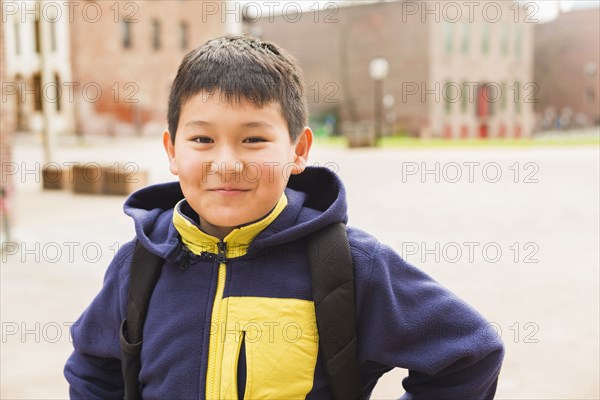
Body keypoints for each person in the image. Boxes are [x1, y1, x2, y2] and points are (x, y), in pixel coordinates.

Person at [64, 34, 504, 399]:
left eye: (254, 139)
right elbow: (93, 370)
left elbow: (469, 354)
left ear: (298, 151)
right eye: (201, 139)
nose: (227, 163)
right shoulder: (139, 264)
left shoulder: (349, 266)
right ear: (171, 152)